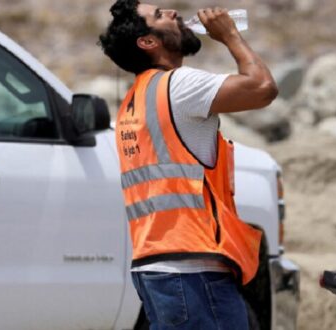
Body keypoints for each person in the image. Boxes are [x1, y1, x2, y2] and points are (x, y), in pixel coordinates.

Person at [98, 1, 278, 329]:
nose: (173, 13)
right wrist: (230, 36)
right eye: (159, 15)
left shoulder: (134, 101)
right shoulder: (178, 86)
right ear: (148, 42)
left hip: (154, 269)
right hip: (193, 274)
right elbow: (263, 88)